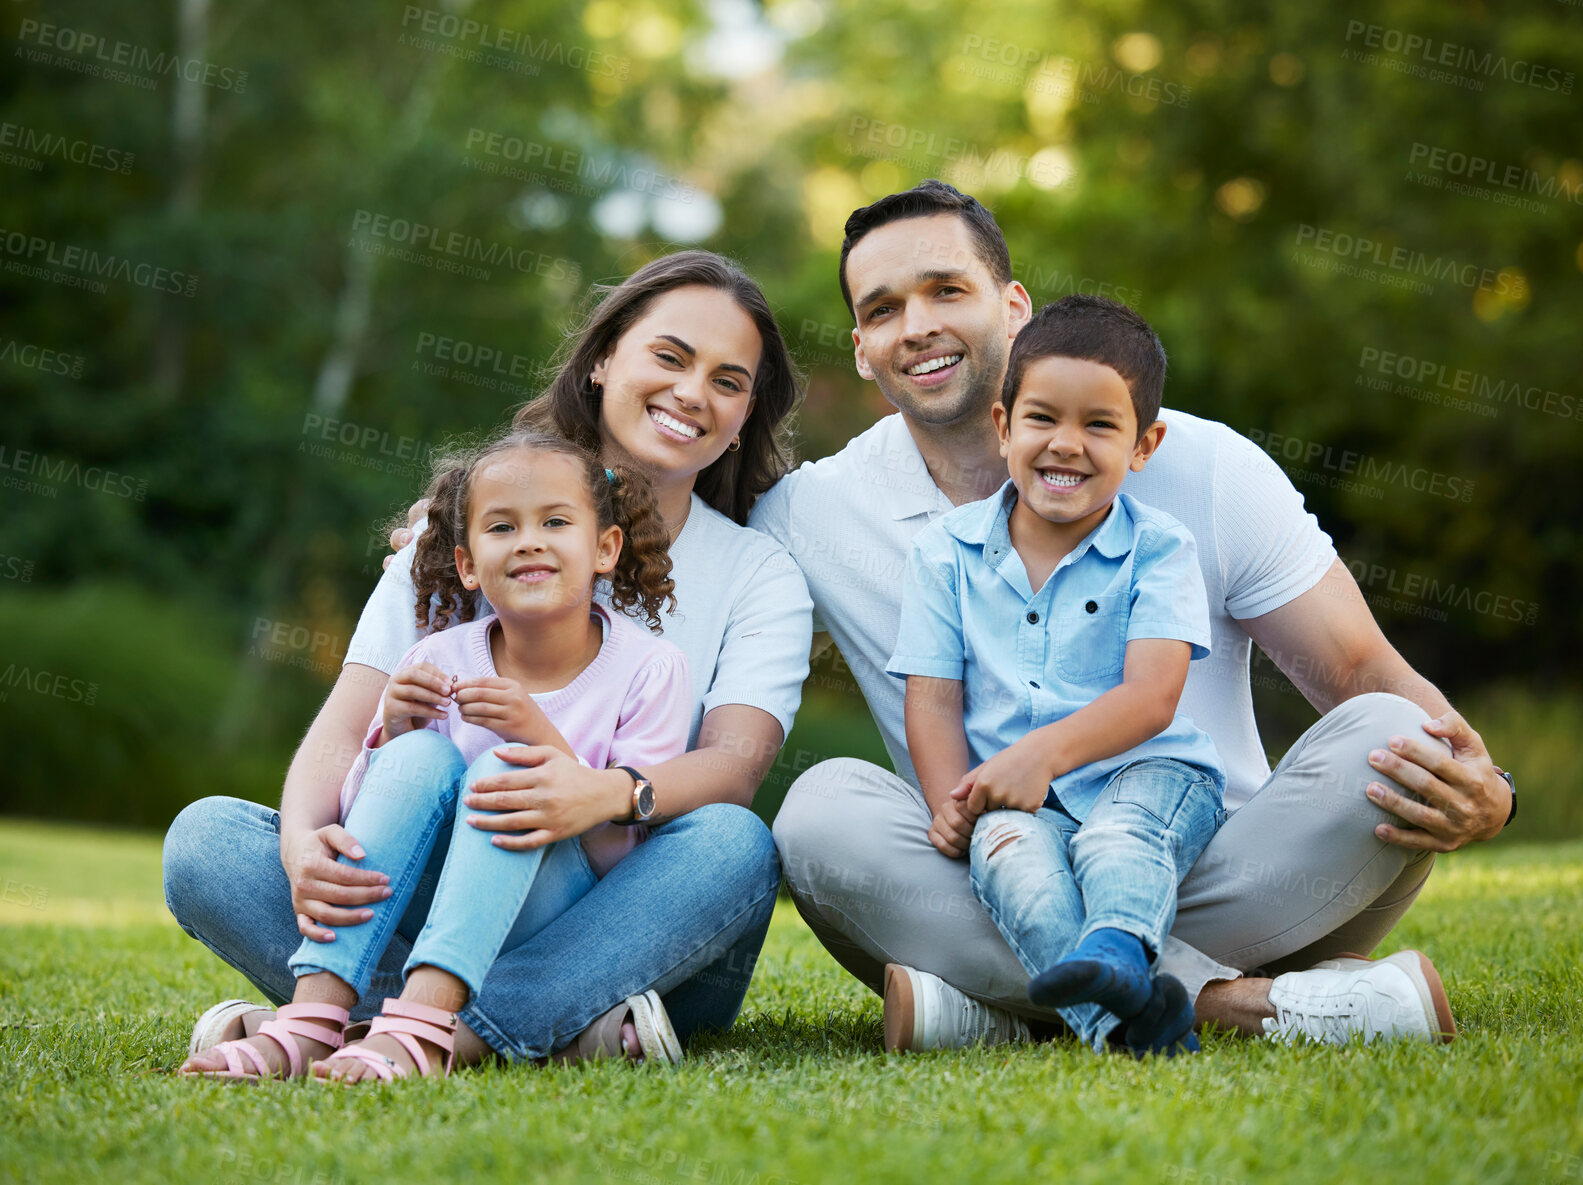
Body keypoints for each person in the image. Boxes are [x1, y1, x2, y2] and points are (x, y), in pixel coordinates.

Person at [760, 181, 1498, 1053]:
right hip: (997, 870)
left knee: (1392, 728)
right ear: (859, 348)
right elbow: (679, 581)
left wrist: (1492, 791)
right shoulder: (816, 513)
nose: (915, 324)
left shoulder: (1202, 465)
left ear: (1013, 305)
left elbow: (1354, 669)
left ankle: (996, 1005)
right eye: (883, 308)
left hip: (1224, 869)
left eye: (944, 290)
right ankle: (1247, 1007)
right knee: (817, 813)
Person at [166, 251, 813, 1071]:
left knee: (732, 843)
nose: (692, 393)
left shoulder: (759, 572)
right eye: (670, 356)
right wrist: (302, 845)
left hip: (618, 916)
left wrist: (602, 792)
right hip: (428, 880)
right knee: (206, 840)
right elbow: (345, 729)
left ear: (746, 409)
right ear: (605, 357)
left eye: (728, 379)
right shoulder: (457, 538)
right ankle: (512, 1028)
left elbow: (733, 765)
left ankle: (384, 1025)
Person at [185, 432, 692, 1081]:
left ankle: (420, 1028)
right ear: (468, 564)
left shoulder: (650, 668)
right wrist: (395, 730)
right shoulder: (436, 658)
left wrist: (538, 736)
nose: (530, 540)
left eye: (555, 522)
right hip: (434, 907)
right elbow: (376, 825)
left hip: (558, 918)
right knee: (419, 752)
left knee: (511, 770)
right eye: (502, 526)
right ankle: (314, 1017)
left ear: (605, 547)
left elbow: (619, 846)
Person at [892, 295, 1226, 1058]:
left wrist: (1038, 756)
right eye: (1042, 418)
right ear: (1004, 426)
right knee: (1012, 860)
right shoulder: (946, 552)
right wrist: (957, 803)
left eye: (1099, 426)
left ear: (1144, 445)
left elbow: (1152, 696)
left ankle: (1114, 950)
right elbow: (934, 700)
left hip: (1150, 774)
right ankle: (1134, 1024)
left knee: (1116, 840)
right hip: (1017, 799)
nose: (1065, 445)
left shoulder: (1159, 548)